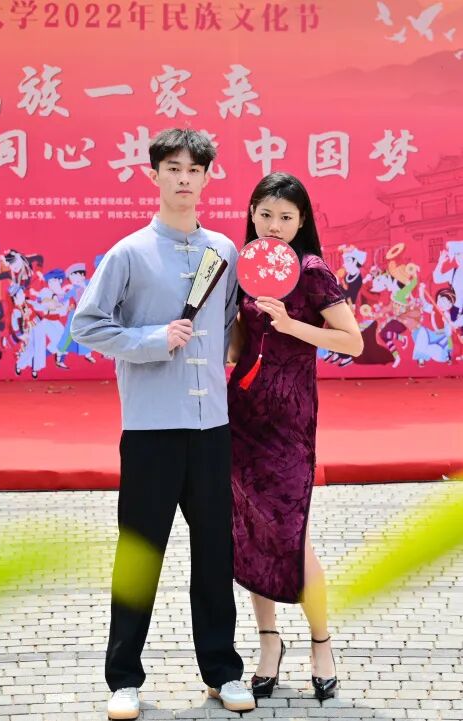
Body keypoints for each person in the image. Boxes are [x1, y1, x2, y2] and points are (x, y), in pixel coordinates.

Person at [71, 128, 255, 720]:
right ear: (153, 175)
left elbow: (228, 326)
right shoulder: (128, 253)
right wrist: (154, 339)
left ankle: (223, 671)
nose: (183, 178)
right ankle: (123, 678)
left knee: (216, 553)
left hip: (211, 427)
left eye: (194, 169)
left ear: (207, 178)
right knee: (140, 552)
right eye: (172, 168)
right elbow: (86, 325)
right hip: (151, 428)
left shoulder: (224, 251)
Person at [227, 172, 363, 702]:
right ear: (251, 214)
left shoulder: (311, 271)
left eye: (286, 217)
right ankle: (269, 642)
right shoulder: (244, 268)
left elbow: (351, 341)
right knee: (249, 533)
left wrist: (291, 325)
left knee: (292, 533)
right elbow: (239, 346)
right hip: (242, 417)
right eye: (265, 214)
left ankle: (321, 643)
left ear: (302, 220)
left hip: (289, 422)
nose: (274, 225)